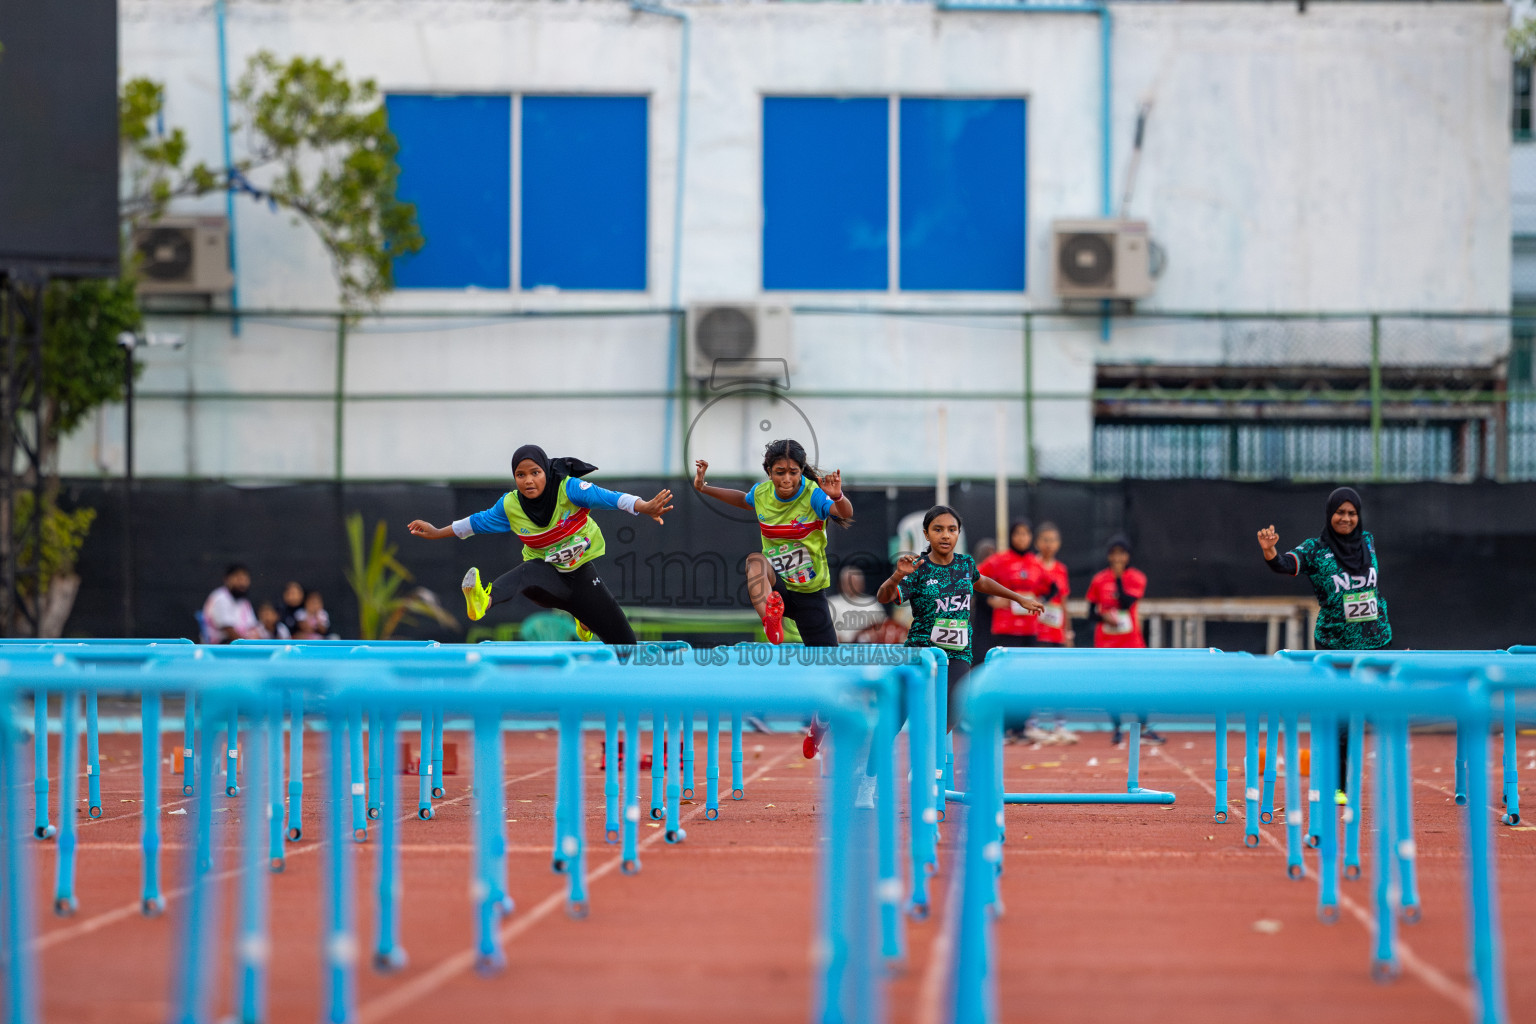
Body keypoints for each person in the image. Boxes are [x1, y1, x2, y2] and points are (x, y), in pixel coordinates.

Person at [407, 445, 673, 645]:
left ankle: (585, 619)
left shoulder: (568, 489)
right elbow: (475, 523)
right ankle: (483, 600)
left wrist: (644, 506)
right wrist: (438, 531)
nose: (528, 480)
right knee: (530, 569)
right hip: (547, 582)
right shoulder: (510, 505)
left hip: (581, 576)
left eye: (535, 472)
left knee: (627, 645)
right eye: (520, 475)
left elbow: (609, 498)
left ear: (546, 471)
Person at [693, 438, 853, 759]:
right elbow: (743, 500)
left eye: (793, 473)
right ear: (769, 471)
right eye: (779, 473)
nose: (786, 480)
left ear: (799, 472)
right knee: (755, 561)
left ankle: (818, 726)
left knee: (831, 673)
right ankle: (770, 616)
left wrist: (838, 496)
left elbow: (843, 513)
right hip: (777, 586)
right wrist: (704, 487)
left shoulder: (813, 494)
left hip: (810, 596)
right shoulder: (763, 494)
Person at [1258, 485, 1390, 800]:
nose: (1346, 519)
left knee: (1374, 708)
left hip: (1375, 640)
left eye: (1351, 513)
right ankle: (1338, 785)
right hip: (1336, 643)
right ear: (1330, 514)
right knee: (1342, 716)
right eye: (1340, 513)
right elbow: (1285, 565)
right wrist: (1270, 551)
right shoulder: (1316, 550)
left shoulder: (1368, 542)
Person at [878, 505, 1043, 740]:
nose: (946, 535)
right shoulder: (918, 568)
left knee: (953, 709)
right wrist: (897, 576)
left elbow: (983, 581)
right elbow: (885, 597)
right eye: (938, 529)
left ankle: (927, 763)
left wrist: (1019, 598)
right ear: (926, 534)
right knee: (898, 712)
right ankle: (869, 766)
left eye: (952, 529)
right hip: (922, 650)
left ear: (958, 533)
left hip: (958, 652)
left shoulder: (965, 564)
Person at [1087, 535, 1163, 745]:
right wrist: (1104, 617)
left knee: (1140, 685)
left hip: (1131, 640)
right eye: (1114, 553)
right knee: (1111, 686)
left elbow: (1127, 602)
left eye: (1122, 553)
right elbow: (1090, 613)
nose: (1118, 557)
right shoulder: (1099, 580)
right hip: (1107, 641)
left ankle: (1143, 727)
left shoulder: (1136, 577)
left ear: (1128, 556)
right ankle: (1116, 728)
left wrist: (1118, 578)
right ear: (1109, 556)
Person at [978, 519, 1042, 648]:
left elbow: (1052, 587)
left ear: (1031, 537)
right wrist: (991, 600)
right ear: (1011, 536)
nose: (1022, 538)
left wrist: (1042, 599)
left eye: (1025, 534)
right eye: (1018, 533)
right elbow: (975, 577)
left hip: (1030, 629)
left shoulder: (1036, 563)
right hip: (1005, 628)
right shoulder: (999, 560)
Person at [201, 564, 261, 644]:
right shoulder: (220, 598)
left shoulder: (244, 602)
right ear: (227, 579)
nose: (242, 583)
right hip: (221, 648)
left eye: (245, 579)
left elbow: (253, 627)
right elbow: (228, 631)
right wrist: (248, 645)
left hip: (240, 646)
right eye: (238, 578)